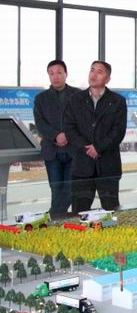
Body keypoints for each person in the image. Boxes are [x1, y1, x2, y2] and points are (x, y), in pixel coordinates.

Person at [63, 61, 127, 212]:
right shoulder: (75, 99)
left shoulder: (117, 101)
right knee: (79, 212)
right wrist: (87, 148)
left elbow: (118, 131)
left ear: (107, 79)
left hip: (108, 165)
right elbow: (69, 127)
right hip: (82, 165)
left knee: (111, 210)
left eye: (100, 71)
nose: (94, 74)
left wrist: (98, 147)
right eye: (92, 70)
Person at [33, 60, 80, 217]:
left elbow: (82, 120)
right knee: (56, 188)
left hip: (73, 150)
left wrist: (67, 135)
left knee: (71, 188)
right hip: (52, 151)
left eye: (59, 72)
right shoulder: (41, 98)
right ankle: (58, 221)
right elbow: (40, 123)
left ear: (66, 74)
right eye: (51, 73)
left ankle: (53, 216)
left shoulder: (78, 95)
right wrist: (56, 135)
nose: (56, 76)